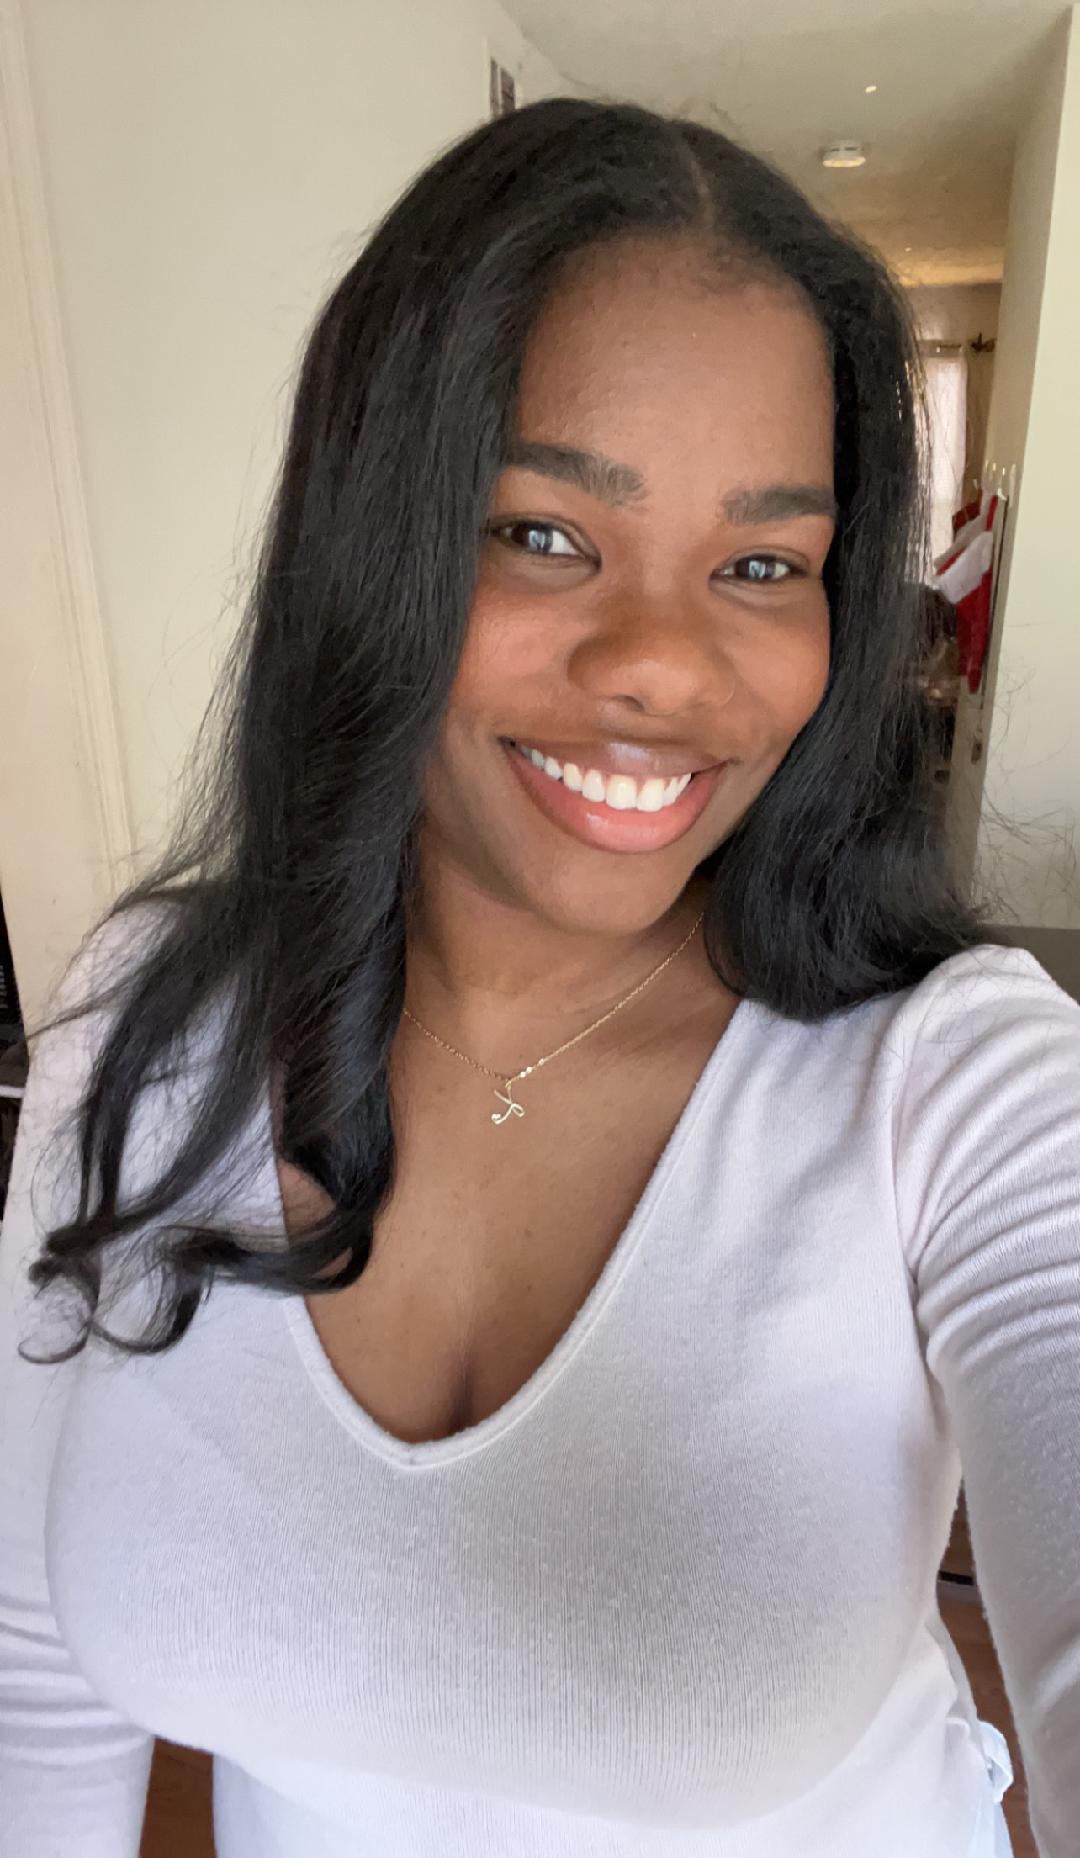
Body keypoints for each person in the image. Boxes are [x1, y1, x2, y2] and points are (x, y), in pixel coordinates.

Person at [1, 96, 1076, 1858]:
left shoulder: (960, 1088)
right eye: (546, 534)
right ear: (375, 537)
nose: (664, 664)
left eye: (762, 564)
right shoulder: (148, 1020)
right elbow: (35, 1661)